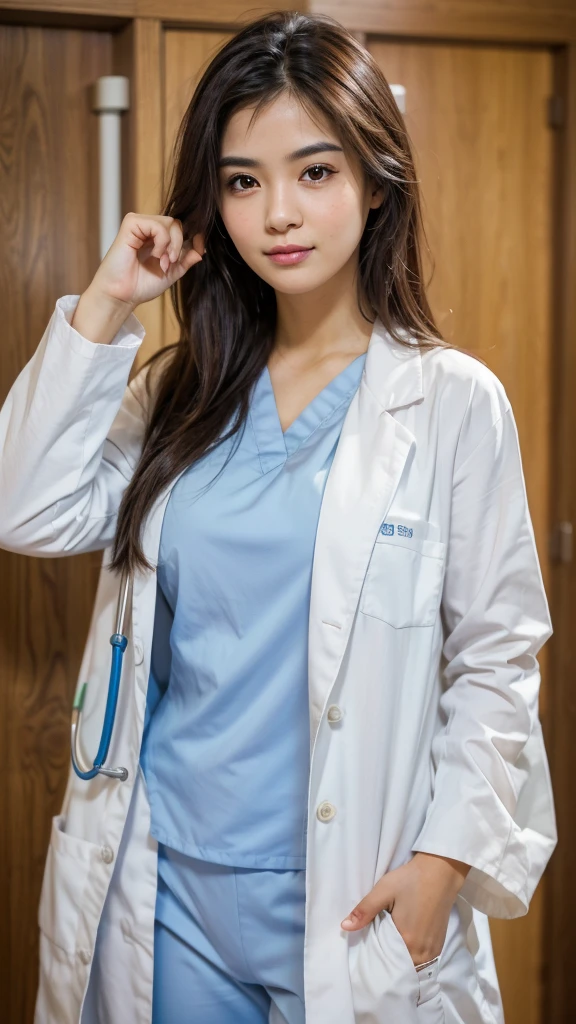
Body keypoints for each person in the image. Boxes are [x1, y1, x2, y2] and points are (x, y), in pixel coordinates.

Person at [0, 11, 556, 1024]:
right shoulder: (183, 391)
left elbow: (498, 653)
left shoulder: (449, 403)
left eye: (314, 171)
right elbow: (25, 506)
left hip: (353, 892)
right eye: (243, 180)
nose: (279, 214)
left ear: (375, 181)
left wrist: (442, 863)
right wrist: (110, 300)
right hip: (172, 888)